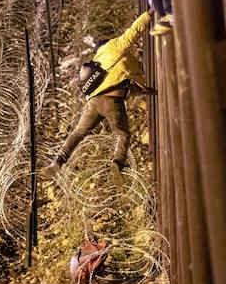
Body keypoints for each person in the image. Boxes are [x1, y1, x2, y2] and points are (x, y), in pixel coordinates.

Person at [48, 10, 153, 179]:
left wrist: (145, 90)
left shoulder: (98, 62)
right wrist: (149, 14)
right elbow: (134, 31)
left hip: (93, 103)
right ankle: (117, 163)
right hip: (112, 101)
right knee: (122, 134)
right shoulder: (115, 48)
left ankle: (58, 161)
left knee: (78, 133)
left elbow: (124, 84)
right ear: (108, 43)